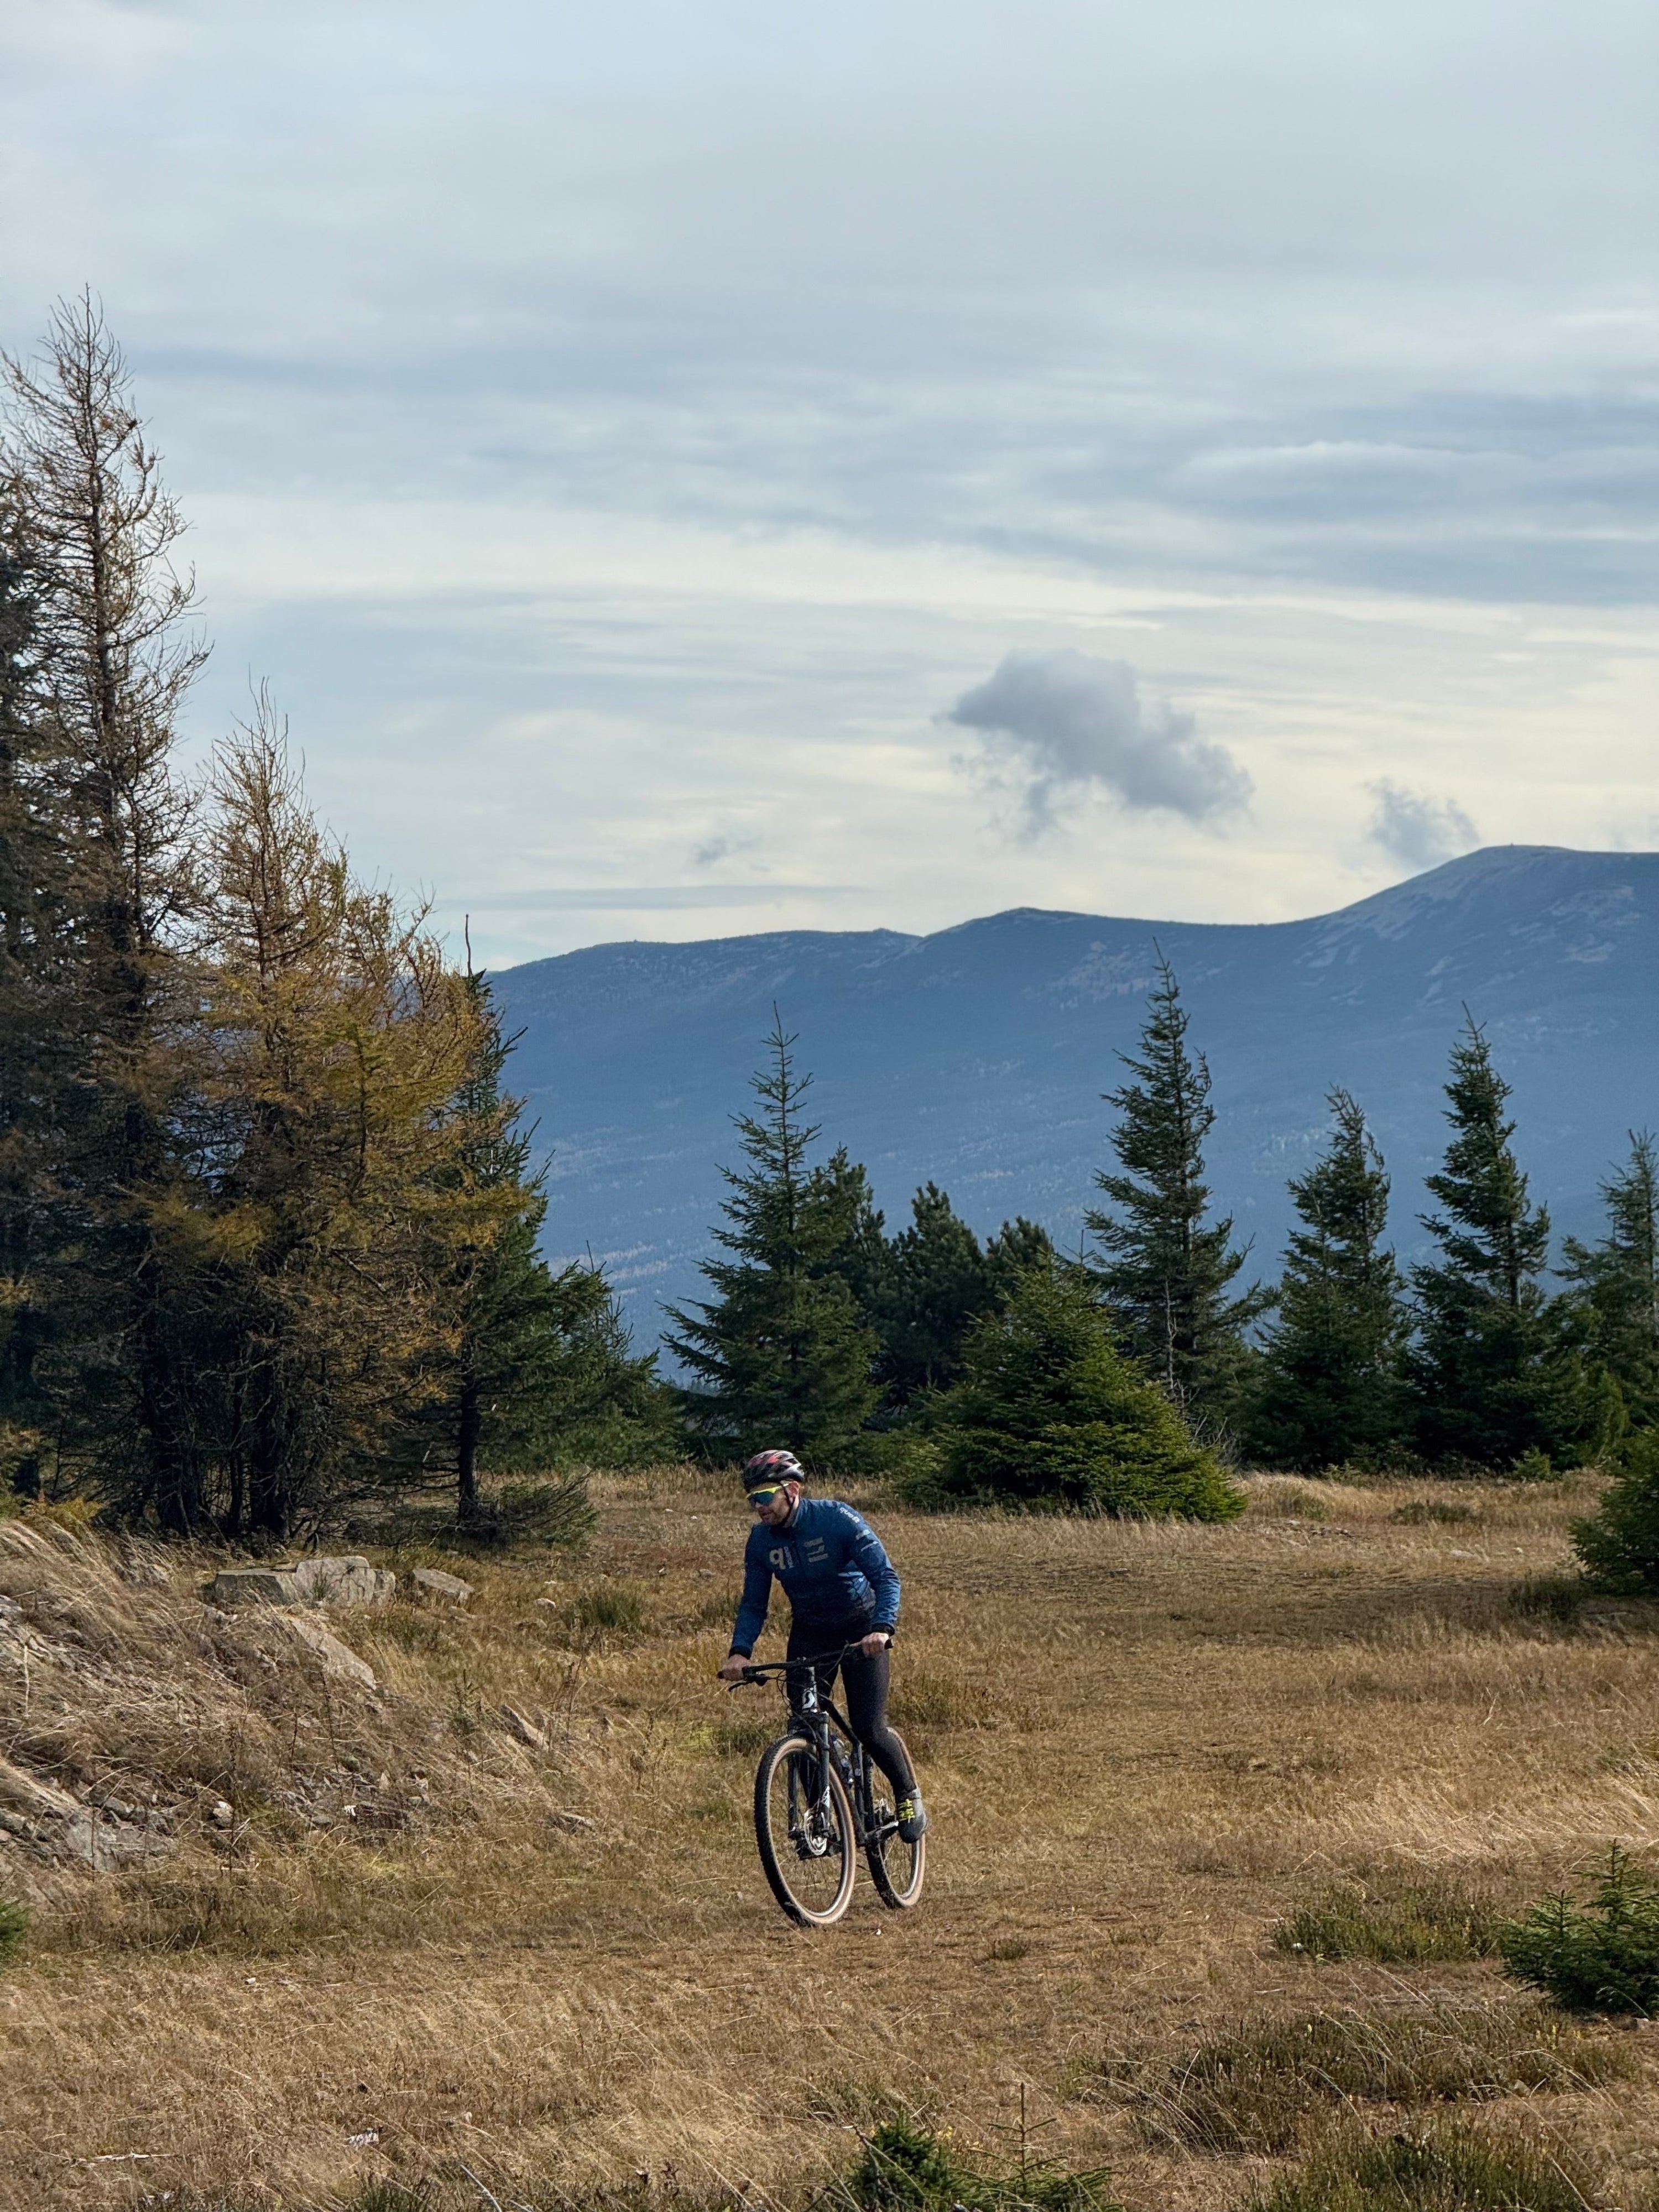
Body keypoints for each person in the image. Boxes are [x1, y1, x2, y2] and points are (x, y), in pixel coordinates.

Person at [717, 1448, 927, 1841]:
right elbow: (753, 1602)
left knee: (868, 1726)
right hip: (811, 1631)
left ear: (792, 1489)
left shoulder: (836, 1519)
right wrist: (740, 1650)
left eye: (764, 1497)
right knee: (804, 1724)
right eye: (752, 1499)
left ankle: (907, 1794)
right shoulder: (761, 1541)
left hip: (861, 1628)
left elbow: (885, 1577)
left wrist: (882, 1628)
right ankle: (823, 1817)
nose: (758, 1507)